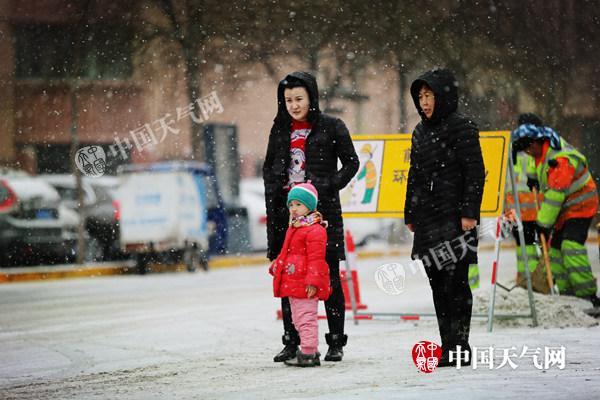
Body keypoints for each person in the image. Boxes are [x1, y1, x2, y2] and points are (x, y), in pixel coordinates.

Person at [263, 71, 359, 363]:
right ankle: (292, 341)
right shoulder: (280, 129)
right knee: (288, 278)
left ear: (311, 98)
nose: (293, 104)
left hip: (322, 216)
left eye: (299, 98)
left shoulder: (331, 126)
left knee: (327, 276)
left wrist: (327, 186)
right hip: (287, 217)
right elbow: (269, 169)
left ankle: (335, 342)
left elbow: (352, 163)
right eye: (288, 99)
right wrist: (276, 195)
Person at [404, 68, 485, 367]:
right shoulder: (419, 131)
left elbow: (474, 173)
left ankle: (461, 345)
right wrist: (410, 212)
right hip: (427, 218)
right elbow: (414, 175)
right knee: (437, 283)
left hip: (454, 218)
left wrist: (468, 213)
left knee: (456, 283)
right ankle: (447, 346)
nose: (424, 102)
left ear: (443, 96)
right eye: (420, 96)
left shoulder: (462, 127)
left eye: (429, 95)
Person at [511, 123, 600, 306]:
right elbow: (541, 170)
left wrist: (542, 224)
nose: (528, 152)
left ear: (537, 141)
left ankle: (587, 295)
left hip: (581, 206)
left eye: (528, 148)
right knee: (555, 252)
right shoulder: (543, 152)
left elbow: (554, 196)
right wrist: (533, 177)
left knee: (571, 246)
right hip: (565, 210)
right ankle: (568, 295)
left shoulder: (561, 161)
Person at [269, 183, 331, 367]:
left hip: (305, 283)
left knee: (305, 318)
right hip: (294, 281)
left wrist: (313, 282)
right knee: (298, 318)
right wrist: (277, 265)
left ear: (310, 206)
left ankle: (308, 353)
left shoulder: (315, 230)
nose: (294, 209)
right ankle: (310, 349)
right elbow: (287, 252)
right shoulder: (295, 227)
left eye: (299, 205)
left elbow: (316, 259)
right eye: (291, 205)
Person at [506, 113, 544, 287]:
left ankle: (525, 279)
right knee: (534, 247)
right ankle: (537, 280)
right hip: (536, 209)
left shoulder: (511, 148)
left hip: (515, 210)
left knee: (523, 248)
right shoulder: (535, 147)